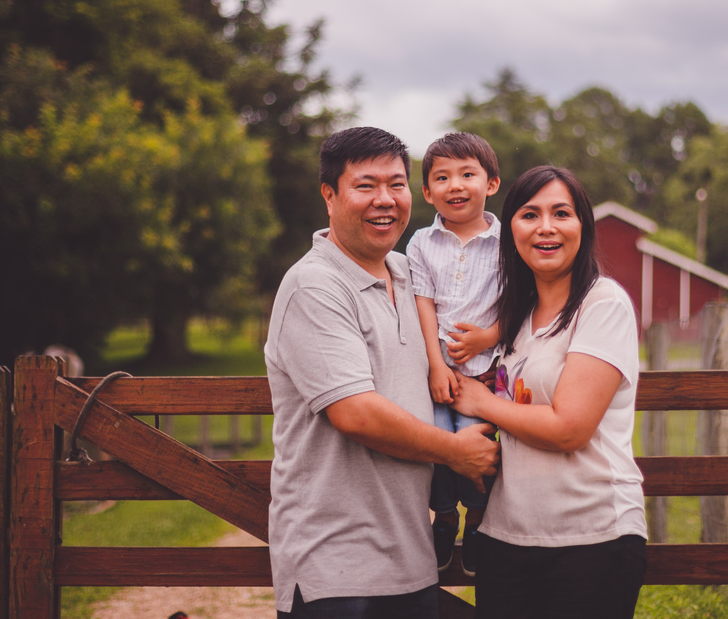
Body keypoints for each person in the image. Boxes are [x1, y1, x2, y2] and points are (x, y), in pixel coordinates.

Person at [264, 127, 500, 618]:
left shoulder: (410, 274)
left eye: (396, 184)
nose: (385, 201)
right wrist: (457, 450)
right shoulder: (315, 286)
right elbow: (356, 415)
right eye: (365, 186)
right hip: (337, 565)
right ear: (329, 195)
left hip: (409, 559)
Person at [450, 165, 647, 619]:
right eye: (529, 214)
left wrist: (482, 402)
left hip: (592, 538)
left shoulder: (603, 305)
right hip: (506, 537)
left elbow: (569, 428)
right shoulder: (515, 318)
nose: (546, 228)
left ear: (583, 227)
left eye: (562, 213)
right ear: (511, 230)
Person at [406, 131, 503, 576]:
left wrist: (486, 338)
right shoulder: (421, 244)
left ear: (492, 183)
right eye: (441, 178)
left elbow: (521, 305)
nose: (455, 185)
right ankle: (444, 518)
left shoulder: (507, 244)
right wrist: (434, 363)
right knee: (438, 440)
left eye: (468, 174)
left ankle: (479, 521)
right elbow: (423, 303)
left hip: (485, 374)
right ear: (427, 192)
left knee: (477, 439)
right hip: (438, 373)